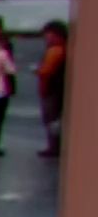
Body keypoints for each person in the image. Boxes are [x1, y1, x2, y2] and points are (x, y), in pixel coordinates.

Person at [38, 20, 67, 159]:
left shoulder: (55, 51)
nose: (46, 38)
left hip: (51, 90)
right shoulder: (63, 49)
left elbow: (46, 71)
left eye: (48, 35)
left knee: (51, 119)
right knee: (55, 119)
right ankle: (55, 146)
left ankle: (54, 147)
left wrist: (38, 71)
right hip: (57, 90)